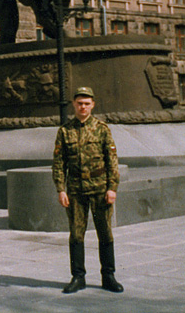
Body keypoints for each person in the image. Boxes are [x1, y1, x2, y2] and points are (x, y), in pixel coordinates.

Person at [52, 86, 123, 294]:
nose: (83, 107)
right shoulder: (65, 131)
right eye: (79, 103)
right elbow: (58, 163)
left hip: (100, 188)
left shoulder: (102, 129)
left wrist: (112, 187)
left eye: (86, 103)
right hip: (75, 190)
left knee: (105, 233)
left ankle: (108, 276)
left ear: (92, 105)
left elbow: (112, 160)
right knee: (76, 234)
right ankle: (78, 277)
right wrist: (60, 189)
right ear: (74, 105)